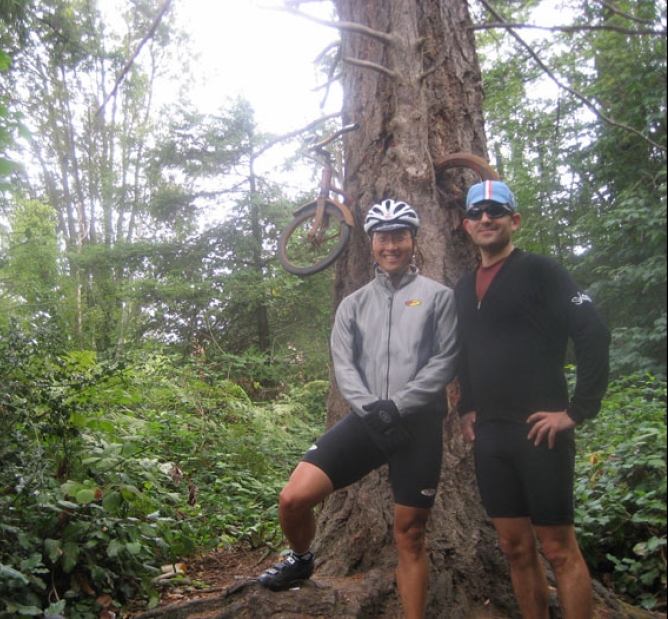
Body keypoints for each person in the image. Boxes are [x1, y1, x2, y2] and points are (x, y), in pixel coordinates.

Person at [258, 199, 459, 618]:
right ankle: (301, 559)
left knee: (411, 535)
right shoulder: (353, 303)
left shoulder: (439, 298)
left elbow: (445, 361)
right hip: (367, 421)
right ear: (371, 243)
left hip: (417, 426)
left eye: (399, 236)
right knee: (293, 498)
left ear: (412, 240)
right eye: (383, 237)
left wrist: (398, 406)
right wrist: (372, 409)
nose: (391, 245)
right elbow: (343, 364)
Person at [454, 180, 610, 619]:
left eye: (496, 211)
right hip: (491, 436)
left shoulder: (542, 271)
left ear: (514, 220)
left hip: (541, 432)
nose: (486, 218)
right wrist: (467, 404)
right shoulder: (464, 287)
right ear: (466, 225)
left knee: (559, 549)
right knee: (514, 548)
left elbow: (593, 331)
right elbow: (465, 347)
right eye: (477, 212)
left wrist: (578, 410)